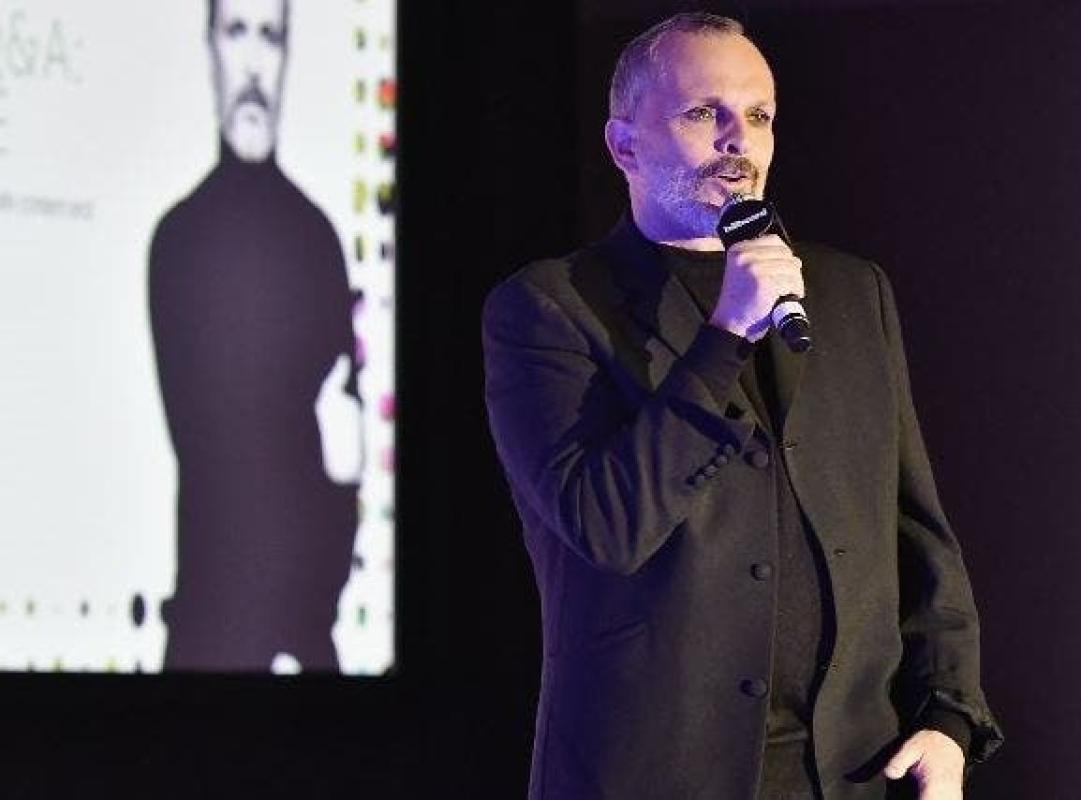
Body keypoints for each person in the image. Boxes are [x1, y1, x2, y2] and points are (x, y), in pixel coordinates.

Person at [482, 12, 1002, 800]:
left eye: (758, 115)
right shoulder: (552, 307)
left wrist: (949, 715)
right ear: (624, 146)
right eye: (704, 112)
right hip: (655, 777)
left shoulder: (848, 293)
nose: (739, 140)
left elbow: (911, 525)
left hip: (844, 773)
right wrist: (724, 334)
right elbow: (604, 525)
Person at [148, 0, 362, 672]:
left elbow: (344, 443)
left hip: (308, 633)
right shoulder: (179, 240)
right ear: (210, 47)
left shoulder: (317, 237)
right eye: (235, 32)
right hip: (211, 633)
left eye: (270, 36)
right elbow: (208, 444)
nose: (252, 64)